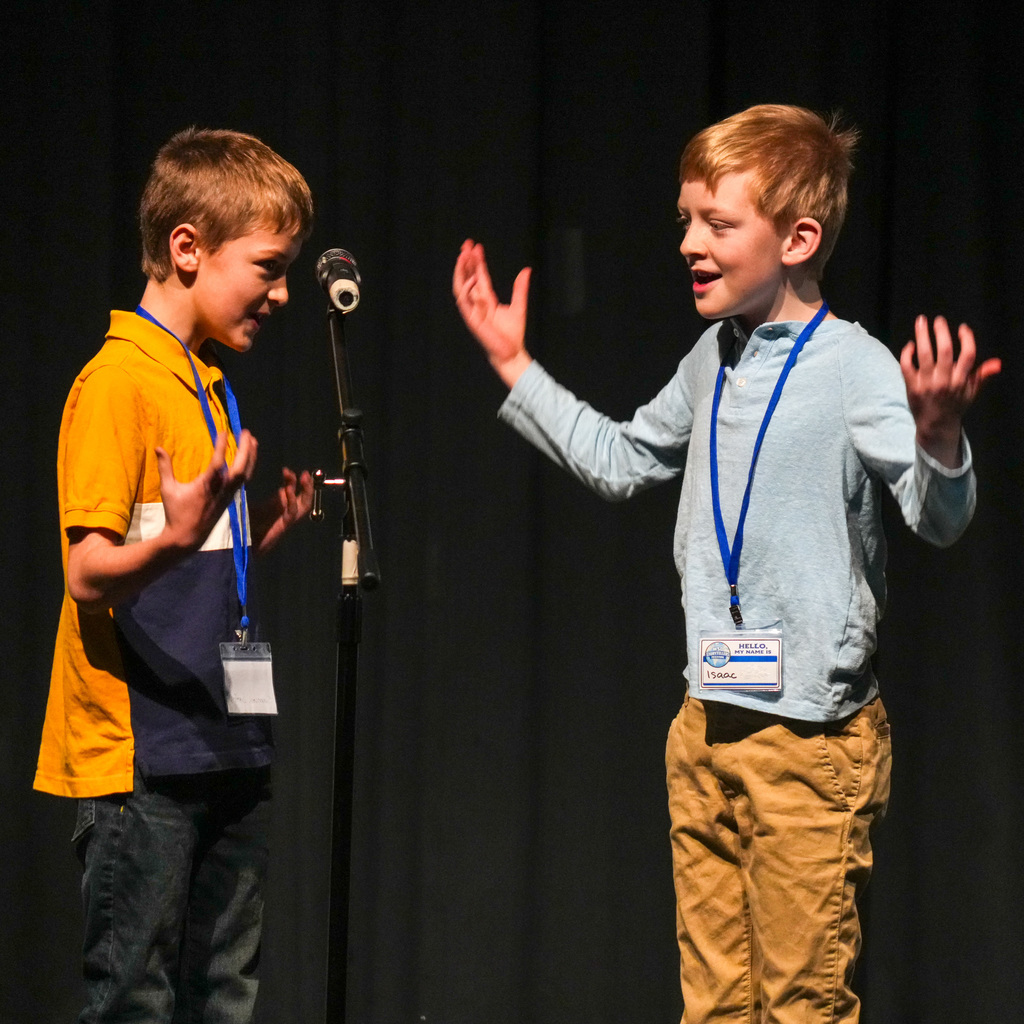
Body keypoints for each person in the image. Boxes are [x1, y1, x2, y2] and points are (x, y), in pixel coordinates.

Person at [452, 104, 1000, 1023]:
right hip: (705, 729)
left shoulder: (854, 367)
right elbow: (624, 459)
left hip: (809, 747)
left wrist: (940, 440)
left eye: (717, 222)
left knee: (800, 1005)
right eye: (684, 220)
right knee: (712, 1005)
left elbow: (936, 520)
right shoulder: (714, 355)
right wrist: (515, 365)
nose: (690, 244)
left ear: (798, 237)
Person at [33, 127, 315, 1023]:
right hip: (142, 754)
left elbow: (183, 557)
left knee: (223, 991)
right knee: (136, 996)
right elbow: (88, 573)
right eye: (267, 267)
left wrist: (255, 532)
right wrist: (174, 537)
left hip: (225, 732)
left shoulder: (206, 380)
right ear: (188, 248)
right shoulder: (119, 383)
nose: (279, 295)